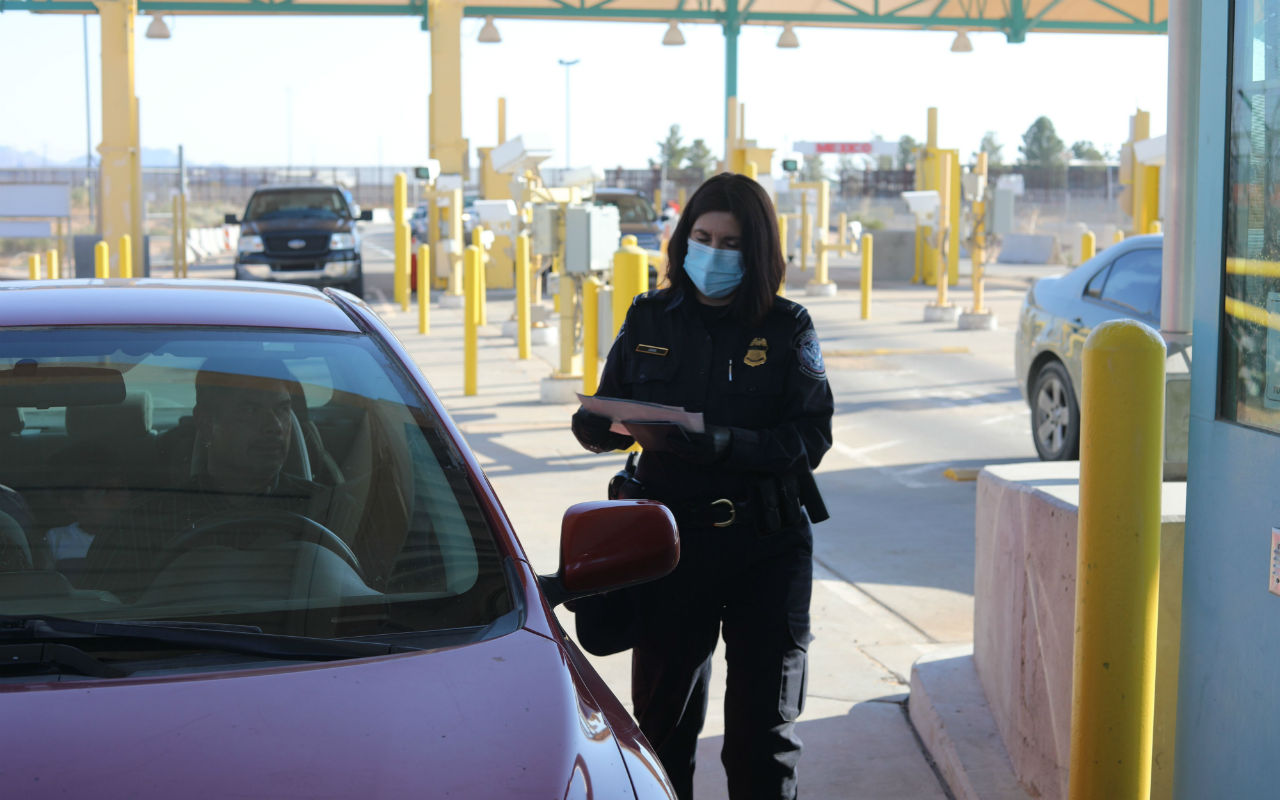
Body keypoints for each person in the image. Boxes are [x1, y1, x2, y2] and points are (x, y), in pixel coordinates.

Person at [570, 172, 834, 800]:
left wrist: (725, 444)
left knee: (761, 745)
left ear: (758, 251)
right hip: (669, 550)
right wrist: (598, 423)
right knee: (661, 736)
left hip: (765, 549)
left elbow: (811, 440)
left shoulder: (787, 327)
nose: (712, 254)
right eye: (702, 237)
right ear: (683, 239)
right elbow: (604, 414)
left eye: (730, 243)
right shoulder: (649, 316)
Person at [83, 359, 327, 601]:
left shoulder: (328, 511)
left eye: (282, 409)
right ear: (206, 423)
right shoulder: (138, 528)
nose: (274, 426)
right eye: (249, 410)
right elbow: (101, 624)